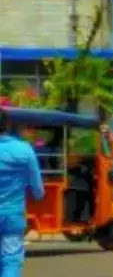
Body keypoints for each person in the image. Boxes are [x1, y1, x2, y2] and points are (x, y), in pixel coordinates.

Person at [0, 111, 44, 277]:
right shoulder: (24, 150)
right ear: (7, 126)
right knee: (11, 260)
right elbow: (38, 190)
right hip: (13, 215)